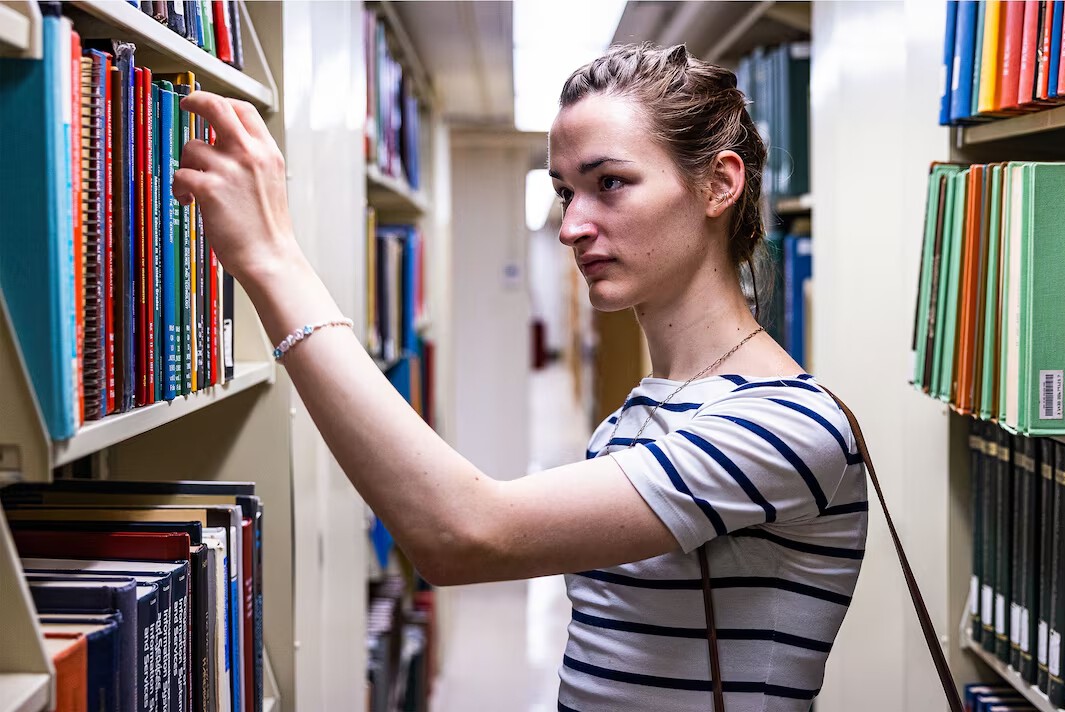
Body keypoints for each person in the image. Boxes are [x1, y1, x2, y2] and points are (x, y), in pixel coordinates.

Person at [176, 42, 866, 712]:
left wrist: (273, 261)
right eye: (566, 192)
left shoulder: (785, 426)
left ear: (719, 184)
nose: (572, 226)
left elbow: (464, 535)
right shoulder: (647, 409)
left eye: (610, 184)